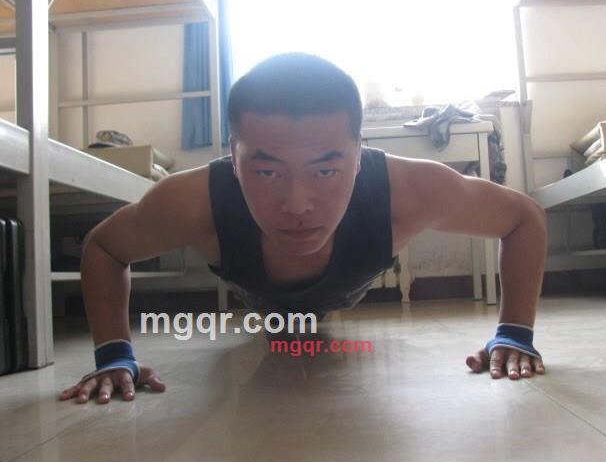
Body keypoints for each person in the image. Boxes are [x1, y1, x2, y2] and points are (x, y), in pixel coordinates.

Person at [59, 53, 547, 405]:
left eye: (325, 169)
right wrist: (114, 354)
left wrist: (514, 333)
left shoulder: (409, 190)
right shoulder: (195, 199)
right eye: (267, 171)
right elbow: (104, 246)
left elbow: (523, 218)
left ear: (359, 153)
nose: (297, 205)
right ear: (233, 157)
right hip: (257, 299)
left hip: (348, 290)